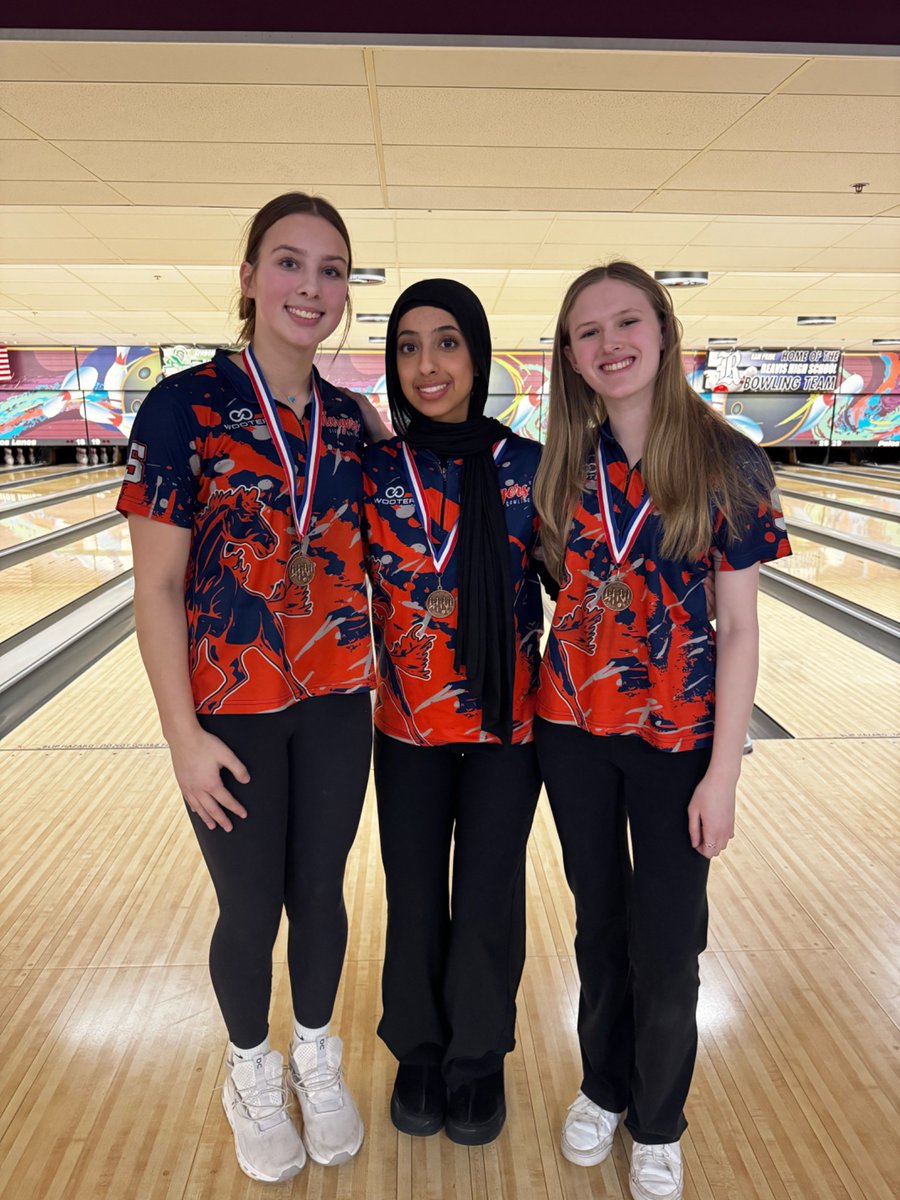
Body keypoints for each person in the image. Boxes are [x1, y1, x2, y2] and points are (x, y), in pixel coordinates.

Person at [117, 192, 387, 1184]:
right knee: (250, 907)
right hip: (230, 709)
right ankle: (250, 1068)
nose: (310, 287)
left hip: (336, 702)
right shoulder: (181, 406)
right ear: (248, 278)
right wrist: (182, 739)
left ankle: (315, 1054)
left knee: (320, 893)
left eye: (331, 270)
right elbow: (156, 588)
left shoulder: (354, 423)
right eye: (289, 262)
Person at [532, 262, 790, 1200]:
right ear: (570, 355)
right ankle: (602, 1086)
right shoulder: (559, 467)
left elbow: (741, 629)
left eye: (627, 321)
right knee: (599, 927)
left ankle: (659, 1119)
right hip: (573, 730)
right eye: (588, 331)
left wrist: (725, 776)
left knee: (670, 944)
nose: (610, 343)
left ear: (664, 330)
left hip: (679, 740)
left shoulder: (730, 463)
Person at [362, 279, 545, 1145]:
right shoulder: (371, 473)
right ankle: (420, 1051)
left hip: (510, 727)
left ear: (476, 354)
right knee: (412, 896)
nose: (426, 364)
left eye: (446, 342)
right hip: (406, 726)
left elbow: (585, 582)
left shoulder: (530, 467)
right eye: (407, 346)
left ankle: (477, 1057)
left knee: (486, 897)